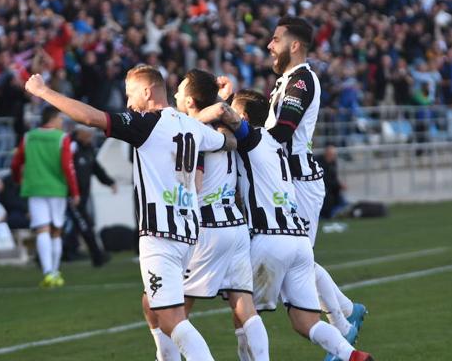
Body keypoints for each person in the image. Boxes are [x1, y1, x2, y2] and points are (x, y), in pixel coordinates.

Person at [24, 65, 236, 360]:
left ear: (147, 92)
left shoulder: (146, 123)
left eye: (131, 94)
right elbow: (229, 141)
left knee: (172, 318)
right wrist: (224, 111)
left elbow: (89, 117)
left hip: (160, 234)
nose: (127, 103)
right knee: (151, 304)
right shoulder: (193, 127)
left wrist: (43, 91)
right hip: (187, 233)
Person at [207, 90, 373, 361]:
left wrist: (218, 98)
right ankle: (351, 355)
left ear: (245, 117)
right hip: (298, 242)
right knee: (305, 321)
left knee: (245, 314)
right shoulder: (277, 145)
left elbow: (227, 116)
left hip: (269, 238)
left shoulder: (251, 139)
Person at [265, 16, 365, 344]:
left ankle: (344, 325)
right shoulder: (286, 81)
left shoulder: (302, 82)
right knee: (298, 259)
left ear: (294, 45)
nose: (269, 45)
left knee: (298, 260)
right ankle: (346, 314)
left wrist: (242, 140)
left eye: (276, 39)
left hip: (300, 182)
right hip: (286, 180)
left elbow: (281, 132)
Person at [174, 69, 269, 361]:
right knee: (244, 306)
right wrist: (222, 98)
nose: (175, 94)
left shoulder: (195, 132)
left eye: (179, 90)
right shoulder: (224, 126)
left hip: (207, 226)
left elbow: (195, 182)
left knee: (172, 310)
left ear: (190, 101)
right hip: (235, 225)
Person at [11, 106, 80, 288]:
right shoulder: (62, 138)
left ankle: (48, 272)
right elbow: (68, 167)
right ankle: (55, 272)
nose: (62, 123)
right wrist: (75, 191)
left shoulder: (28, 136)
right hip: (56, 189)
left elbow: (16, 162)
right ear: (54, 119)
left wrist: (18, 179)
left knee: (42, 229)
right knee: (56, 230)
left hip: (34, 188)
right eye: (61, 120)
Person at [64, 124, 116, 267]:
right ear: (80, 133)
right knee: (84, 225)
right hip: (71, 195)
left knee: (80, 225)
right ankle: (97, 256)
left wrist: (109, 182)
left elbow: (95, 167)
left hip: (83, 195)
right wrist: (73, 193)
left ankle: (69, 251)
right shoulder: (71, 146)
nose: (92, 136)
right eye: (89, 133)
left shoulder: (88, 148)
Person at [317, 145, 348, 219]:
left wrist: (339, 185)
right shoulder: (319, 163)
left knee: (341, 199)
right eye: (331, 154)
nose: (333, 156)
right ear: (327, 154)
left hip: (331, 188)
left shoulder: (333, 163)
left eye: (334, 155)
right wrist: (339, 185)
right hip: (323, 188)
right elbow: (325, 179)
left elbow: (333, 177)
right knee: (329, 198)